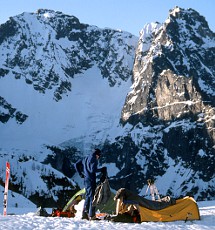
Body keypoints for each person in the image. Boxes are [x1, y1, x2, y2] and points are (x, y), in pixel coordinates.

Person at [74, 148, 106, 220]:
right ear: (97, 154)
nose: (99, 157)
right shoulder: (94, 159)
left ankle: (84, 214)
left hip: (86, 179)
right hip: (91, 180)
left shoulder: (85, 158)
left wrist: (80, 174)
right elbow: (93, 170)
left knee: (88, 196)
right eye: (99, 156)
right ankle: (92, 215)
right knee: (92, 197)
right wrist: (102, 170)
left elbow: (76, 164)